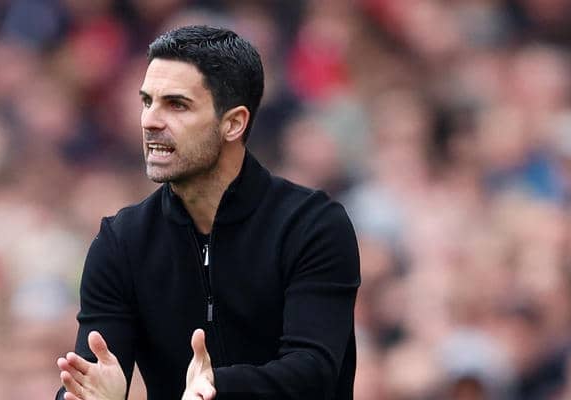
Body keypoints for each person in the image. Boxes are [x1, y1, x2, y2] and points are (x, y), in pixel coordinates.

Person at [55, 25, 360, 400]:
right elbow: (91, 375)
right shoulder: (121, 242)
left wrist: (218, 387)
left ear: (233, 123)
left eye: (176, 105)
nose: (149, 120)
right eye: (147, 101)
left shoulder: (312, 225)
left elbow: (314, 372)